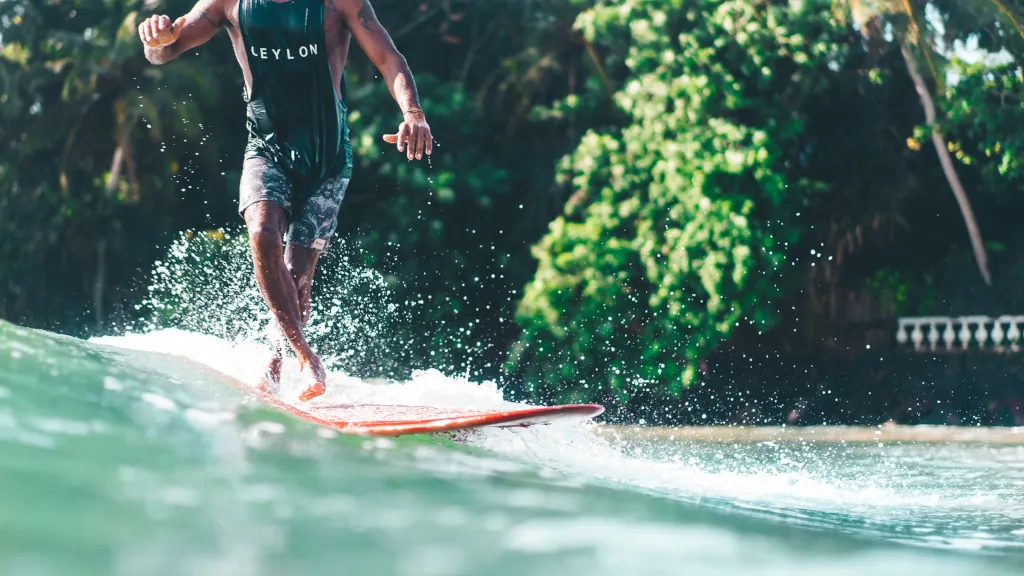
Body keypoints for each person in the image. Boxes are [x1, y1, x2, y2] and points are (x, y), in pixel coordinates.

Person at [138, 0, 432, 402]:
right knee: (261, 233)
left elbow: (388, 57)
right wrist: (158, 39)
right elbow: (165, 51)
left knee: (297, 273)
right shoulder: (228, 3)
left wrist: (413, 112)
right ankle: (305, 357)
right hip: (266, 148)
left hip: (328, 159)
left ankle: (275, 360)